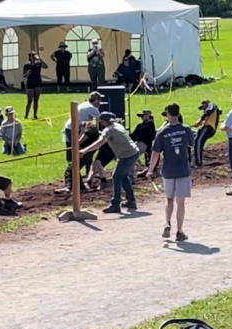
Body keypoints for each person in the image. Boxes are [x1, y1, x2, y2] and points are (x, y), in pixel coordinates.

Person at [149, 104, 194, 241]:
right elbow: (191, 144)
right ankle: (179, 231)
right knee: (181, 202)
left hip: (168, 170)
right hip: (183, 170)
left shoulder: (162, 132)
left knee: (169, 200)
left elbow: (155, 153)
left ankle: (167, 222)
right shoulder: (186, 130)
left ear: (168, 115)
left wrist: (150, 170)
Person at [81, 112, 140, 212]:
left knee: (116, 177)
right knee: (123, 176)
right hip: (133, 152)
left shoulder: (108, 130)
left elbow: (100, 143)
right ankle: (131, 201)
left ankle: (115, 204)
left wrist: (84, 150)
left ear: (103, 121)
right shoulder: (117, 125)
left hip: (127, 155)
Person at [63, 91, 103, 162]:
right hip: (73, 129)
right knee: (76, 150)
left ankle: (75, 170)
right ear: (95, 100)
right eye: (99, 99)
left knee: (73, 151)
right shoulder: (92, 108)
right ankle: (73, 170)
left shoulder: (86, 104)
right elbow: (102, 120)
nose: (100, 102)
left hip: (70, 128)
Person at [193, 100, 220, 169]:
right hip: (206, 127)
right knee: (195, 138)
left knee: (198, 141)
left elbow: (206, 113)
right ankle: (194, 159)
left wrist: (199, 121)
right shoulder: (212, 108)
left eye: (203, 107)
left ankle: (198, 162)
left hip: (209, 127)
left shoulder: (211, 105)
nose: (203, 109)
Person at [23, 51, 48, 120]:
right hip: (30, 83)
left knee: (36, 100)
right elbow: (24, 75)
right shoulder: (26, 65)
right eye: (32, 56)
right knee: (29, 101)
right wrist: (27, 73)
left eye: (34, 56)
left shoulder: (39, 64)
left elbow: (46, 66)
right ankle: (26, 115)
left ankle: (35, 115)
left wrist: (39, 58)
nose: (33, 57)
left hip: (38, 83)